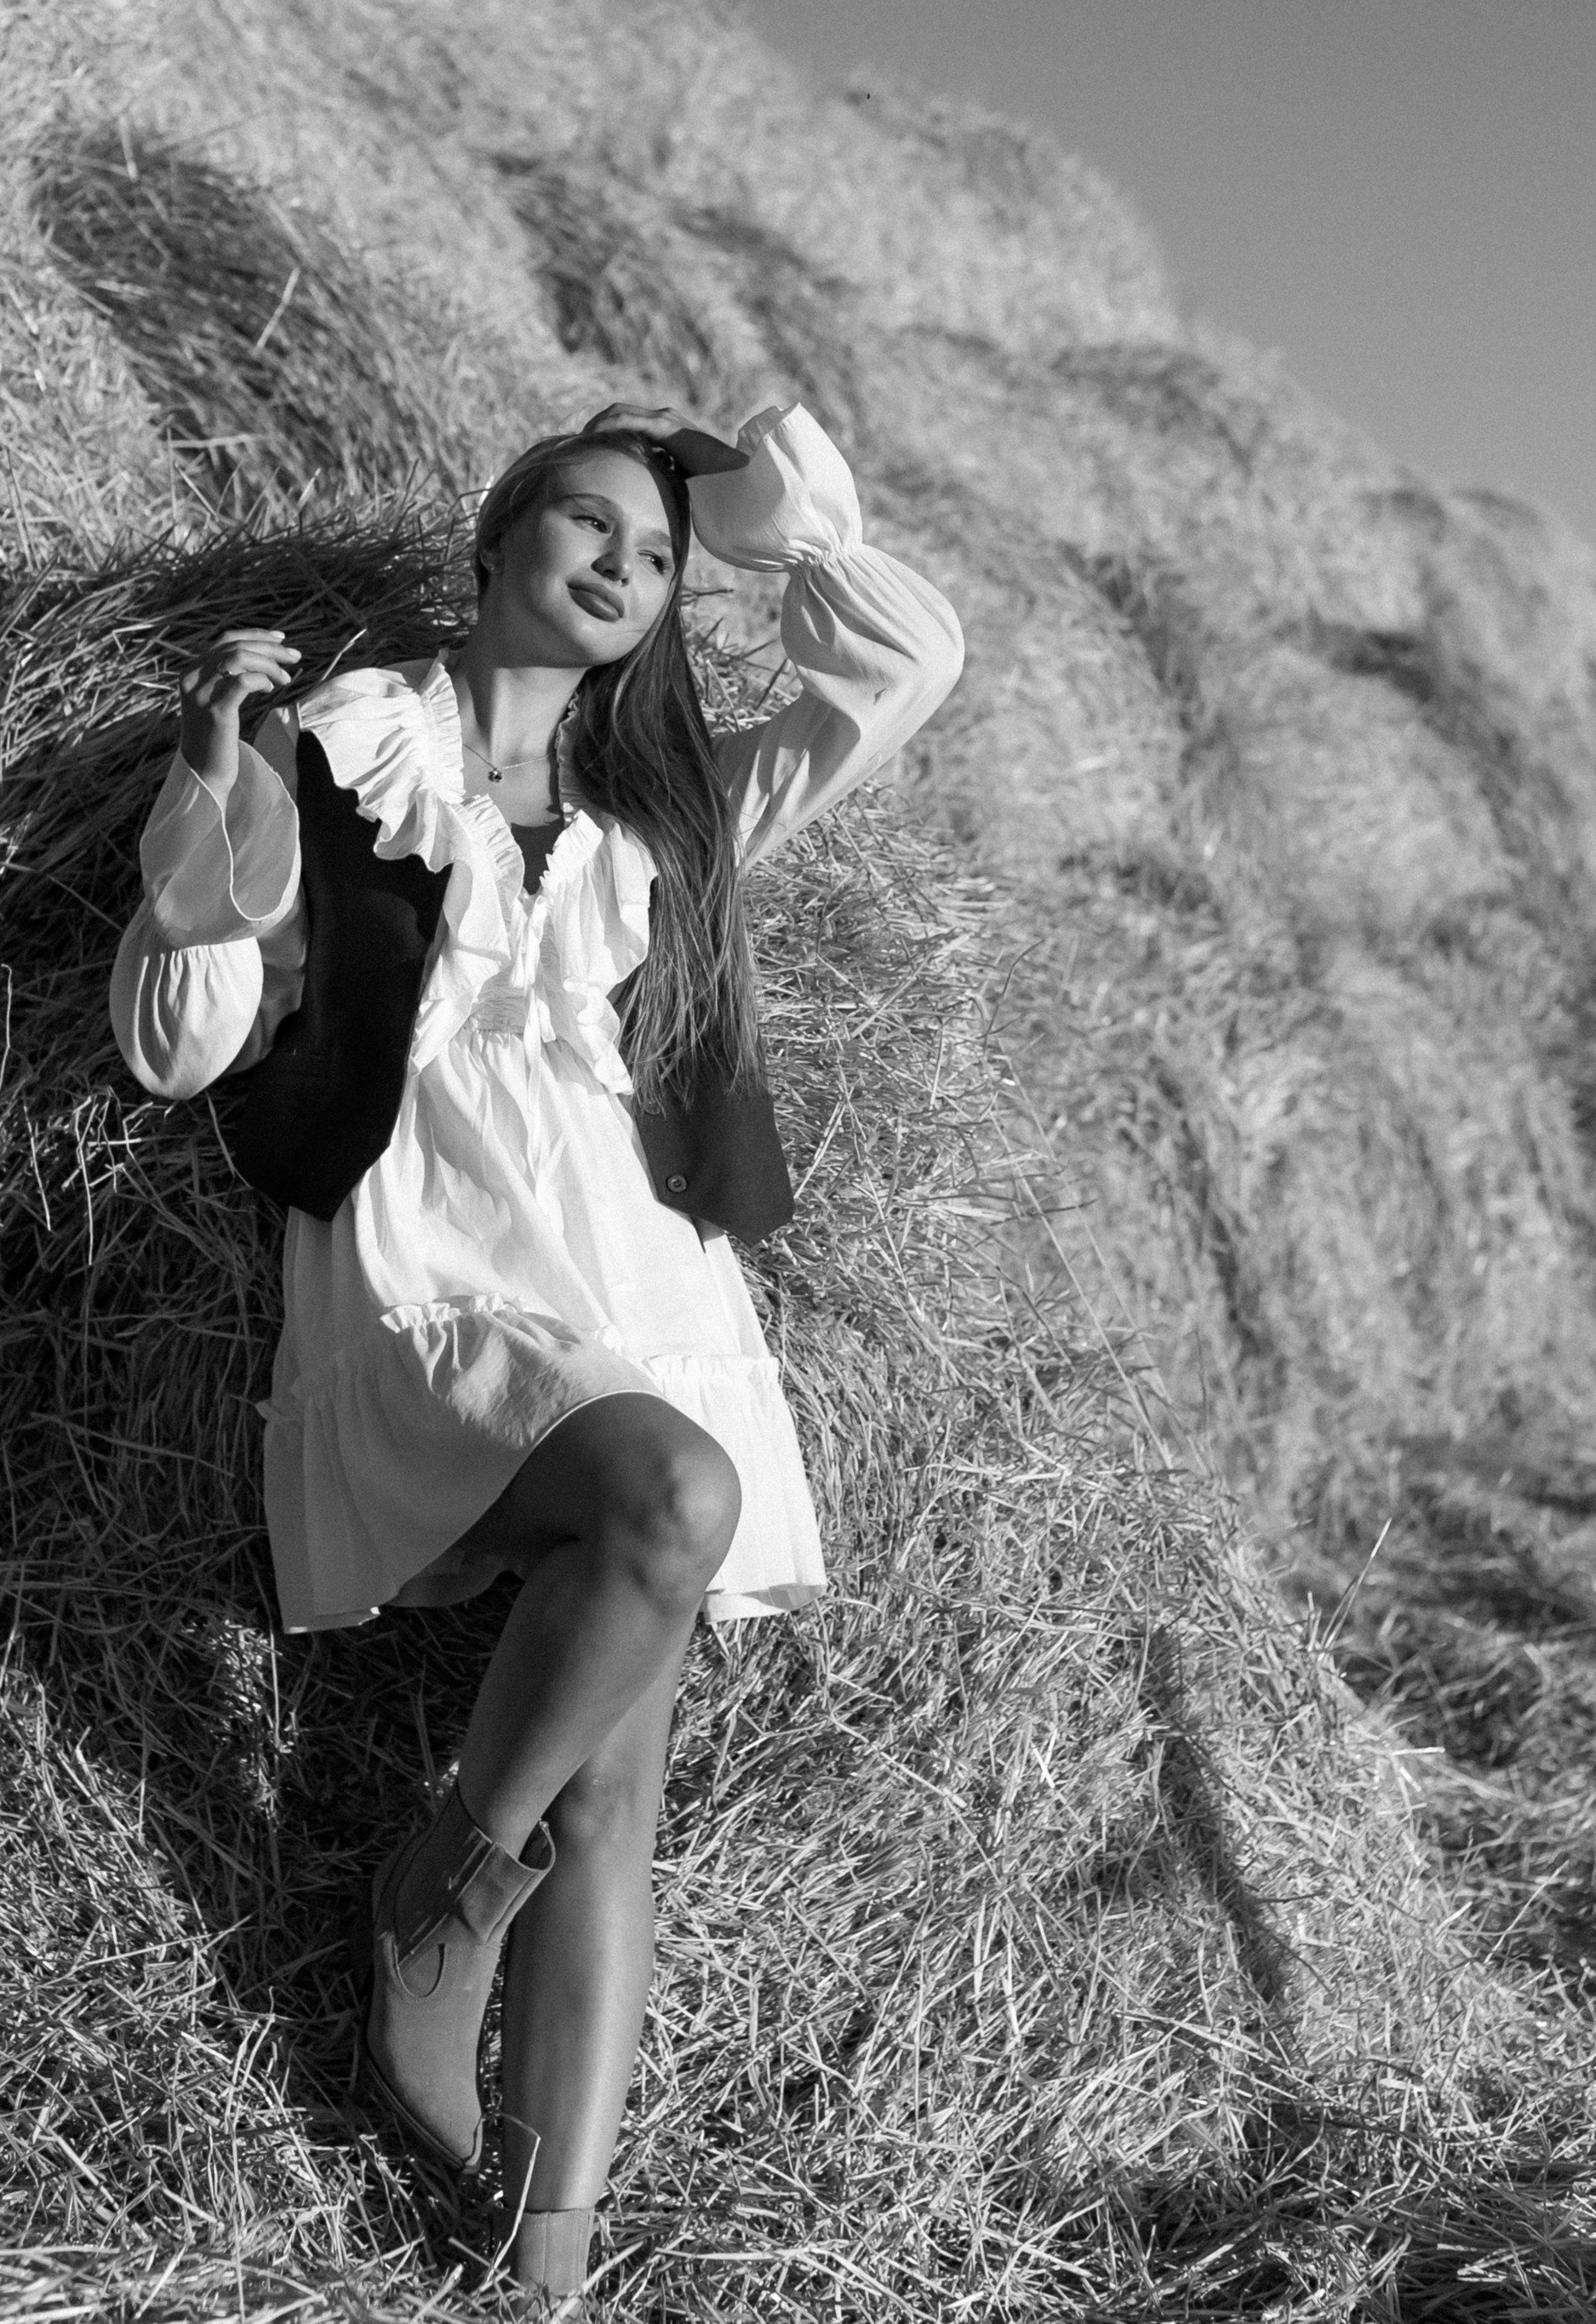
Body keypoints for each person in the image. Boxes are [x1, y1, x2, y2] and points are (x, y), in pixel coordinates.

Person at [109, 399, 964, 2310]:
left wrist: (759, 516)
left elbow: (908, 661)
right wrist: (211, 782)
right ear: (498, 539)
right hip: (430, 1281)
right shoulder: (345, 751)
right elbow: (178, 1044)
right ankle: (439, 1908)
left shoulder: (675, 812)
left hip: (644, 1288)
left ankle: (544, 2259)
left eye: (653, 556)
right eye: (585, 523)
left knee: (619, 1798)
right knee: (673, 1491)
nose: (618, 566)